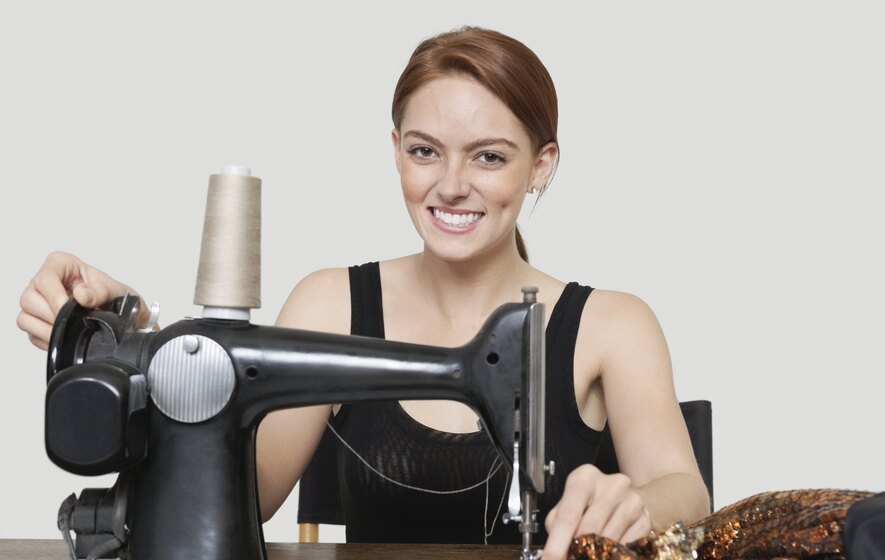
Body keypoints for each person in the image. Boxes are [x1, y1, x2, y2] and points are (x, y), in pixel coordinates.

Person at [16, 26, 709, 560]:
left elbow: (685, 491)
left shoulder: (612, 324)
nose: (451, 185)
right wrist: (135, 337)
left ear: (541, 165)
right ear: (395, 148)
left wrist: (635, 505)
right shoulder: (332, 304)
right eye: (424, 150)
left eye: (489, 157)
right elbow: (240, 492)